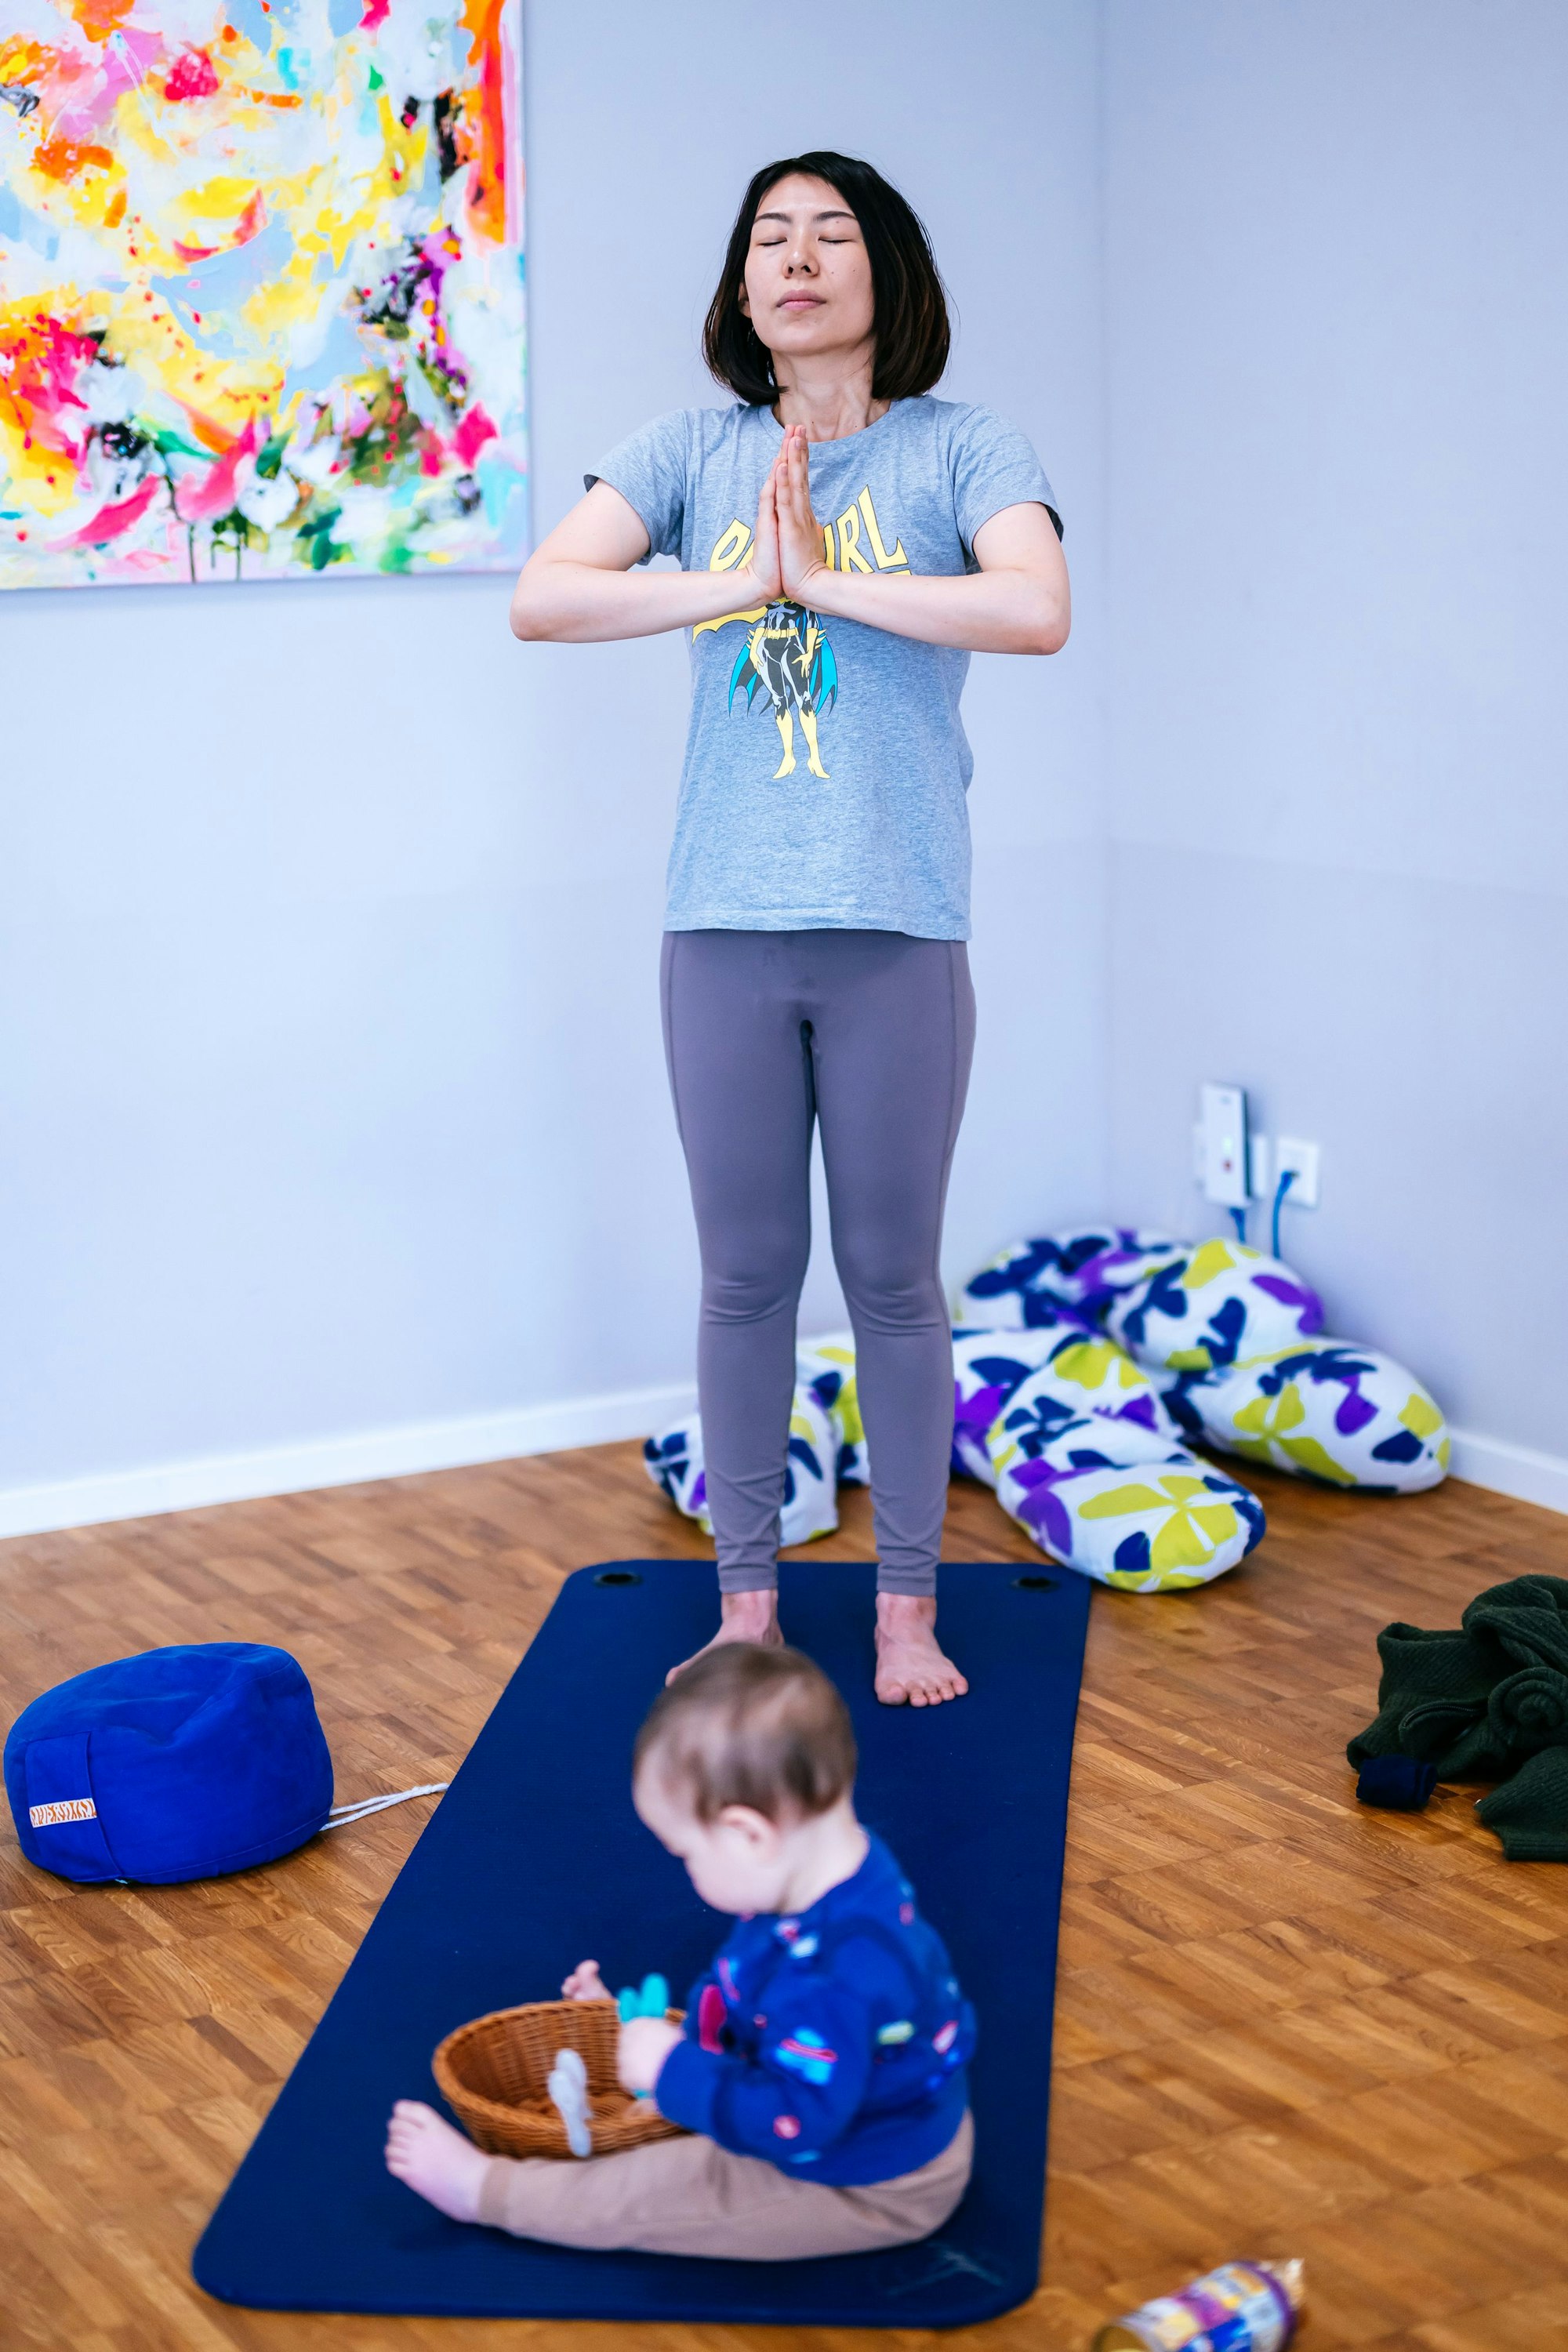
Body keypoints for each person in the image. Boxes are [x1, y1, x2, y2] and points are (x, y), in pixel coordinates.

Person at [510, 151, 1070, 1705]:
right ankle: (746, 1609)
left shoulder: (964, 449)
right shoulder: (690, 449)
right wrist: (739, 576)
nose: (799, 257)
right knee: (744, 1276)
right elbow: (545, 598)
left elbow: (1034, 609)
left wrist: (823, 581)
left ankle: (903, 1609)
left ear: (886, 271)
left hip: (898, 926)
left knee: (893, 1278)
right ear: (742, 286)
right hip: (724, 927)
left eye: (832, 234)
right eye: (771, 236)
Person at [385, 1643, 975, 2257]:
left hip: (860, 2183)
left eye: (685, 1853)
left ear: (748, 1835)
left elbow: (795, 2119)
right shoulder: (833, 1868)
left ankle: (485, 2190)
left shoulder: (833, 1978)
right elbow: (760, 1996)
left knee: (655, 2190)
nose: (686, 1871)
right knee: (677, 2127)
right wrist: (633, 2025)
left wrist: (671, 2070)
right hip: (859, 2113)